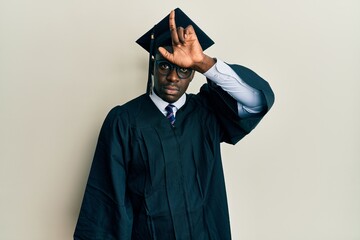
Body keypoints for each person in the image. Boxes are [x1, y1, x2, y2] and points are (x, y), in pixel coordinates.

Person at [74, 8, 274, 240]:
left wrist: (203, 63)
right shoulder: (124, 121)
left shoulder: (207, 113)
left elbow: (256, 103)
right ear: (153, 66)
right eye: (164, 66)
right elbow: (107, 201)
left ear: (192, 75)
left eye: (183, 69)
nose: (172, 77)